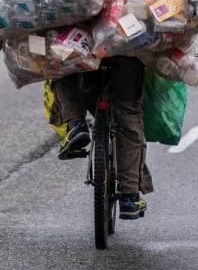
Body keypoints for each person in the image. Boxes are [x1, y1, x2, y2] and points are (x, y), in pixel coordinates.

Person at [47, 56, 152, 220]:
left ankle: (75, 124)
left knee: (57, 64)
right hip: (125, 59)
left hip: (81, 56)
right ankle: (129, 197)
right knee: (128, 115)